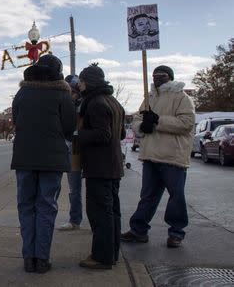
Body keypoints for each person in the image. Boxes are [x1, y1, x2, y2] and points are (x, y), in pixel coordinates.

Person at [11, 54, 76, 274]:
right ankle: (42, 259)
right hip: (53, 160)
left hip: (24, 158)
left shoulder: (22, 93)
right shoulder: (62, 93)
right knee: (46, 207)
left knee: (26, 206)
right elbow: (69, 127)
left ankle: (28, 258)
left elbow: (16, 121)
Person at [121, 65, 195, 248]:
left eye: (161, 76)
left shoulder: (182, 98)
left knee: (176, 197)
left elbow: (186, 123)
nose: (156, 79)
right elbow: (138, 118)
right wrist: (141, 126)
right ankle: (138, 230)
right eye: (154, 76)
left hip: (173, 156)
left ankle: (176, 232)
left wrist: (158, 121)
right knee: (148, 196)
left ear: (170, 77)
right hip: (150, 155)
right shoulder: (150, 98)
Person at [77, 63, 126, 270]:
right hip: (113, 165)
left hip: (100, 166)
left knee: (100, 213)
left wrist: (79, 135)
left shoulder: (96, 103)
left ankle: (102, 256)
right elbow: (120, 134)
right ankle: (111, 253)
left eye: (81, 81)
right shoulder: (113, 102)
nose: (79, 85)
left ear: (88, 82)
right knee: (112, 212)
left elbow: (102, 134)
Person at [58, 74, 84, 231]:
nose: (70, 95)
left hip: (76, 148)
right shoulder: (64, 103)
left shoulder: (84, 104)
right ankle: (74, 219)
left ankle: (75, 220)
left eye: (72, 91)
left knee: (75, 187)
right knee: (63, 185)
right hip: (65, 146)